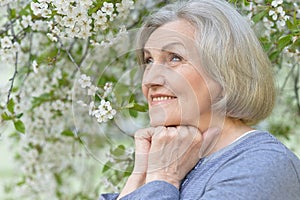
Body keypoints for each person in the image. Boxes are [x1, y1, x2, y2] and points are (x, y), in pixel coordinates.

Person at [100, 0, 300, 199]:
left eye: (174, 58)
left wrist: (163, 178)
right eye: (149, 61)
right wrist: (139, 177)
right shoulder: (178, 160)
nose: (150, 79)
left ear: (224, 71)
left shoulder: (263, 165)